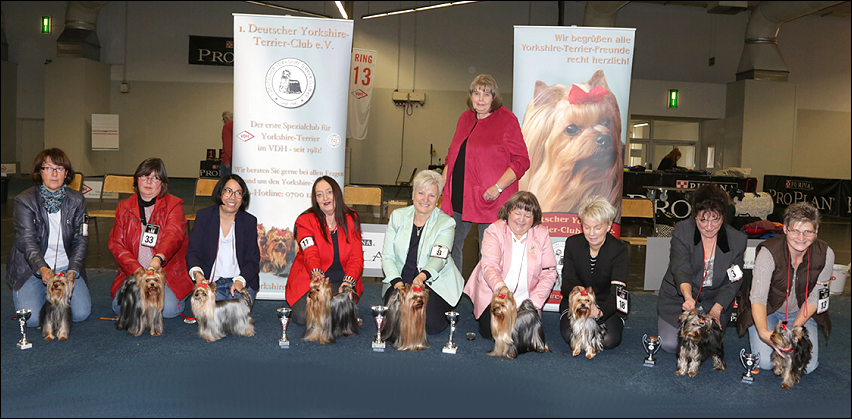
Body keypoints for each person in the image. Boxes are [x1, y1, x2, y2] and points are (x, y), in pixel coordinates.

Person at [441, 74, 530, 274]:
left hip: (491, 198)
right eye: (476, 93)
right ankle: (453, 287)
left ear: (494, 97)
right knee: (449, 244)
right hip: (459, 195)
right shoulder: (465, 118)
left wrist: (498, 187)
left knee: (488, 250)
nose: (480, 99)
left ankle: (486, 291)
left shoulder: (507, 119)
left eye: (486, 94)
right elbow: (452, 155)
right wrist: (441, 184)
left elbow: (522, 161)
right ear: (470, 96)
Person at [738, 202, 833, 374]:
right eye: (795, 230)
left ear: (816, 231)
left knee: (806, 366)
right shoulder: (768, 252)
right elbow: (758, 297)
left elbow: (816, 297)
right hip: (769, 311)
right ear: (785, 229)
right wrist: (763, 332)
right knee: (766, 362)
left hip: (801, 313)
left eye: (808, 231)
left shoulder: (826, 254)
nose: (801, 237)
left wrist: (794, 331)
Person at [656, 183, 747, 353]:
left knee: (706, 344)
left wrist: (717, 310)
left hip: (714, 302)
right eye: (703, 220)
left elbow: (734, 281)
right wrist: (688, 298)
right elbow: (680, 268)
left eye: (715, 219)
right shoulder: (683, 231)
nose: (709, 226)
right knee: (671, 344)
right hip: (679, 299)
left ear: (723, 217)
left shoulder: (737, 240)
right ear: (695, 216)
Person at [7, 148, 91, 327]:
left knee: (81, 314)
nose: (54, 173)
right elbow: (26, 240)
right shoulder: (24, 201)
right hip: (32, 269)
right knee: (32, 320)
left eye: (59, 168)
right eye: (48, 168)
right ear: (40, 172)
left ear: (66, 173)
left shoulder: (77, 200)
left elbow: (81, 238)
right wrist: (42, 269)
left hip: (66, 268)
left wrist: (73, 270)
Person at [464, 191, 557, 339]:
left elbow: (549, 272)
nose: (521, 220)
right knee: (492, 333)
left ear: (534, 218)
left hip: (527, 299)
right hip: (496, 295)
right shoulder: (494, 230)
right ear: (508, 212)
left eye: (528, 215)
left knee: (522, 335)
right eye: (517, 213)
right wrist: (502, 289)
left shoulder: (542, 234)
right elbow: (489, 266)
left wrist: (532, 303)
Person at [383, 170, 465, 334]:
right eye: (421, 193)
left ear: (438, 199)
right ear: (413, 194)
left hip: (432, 281)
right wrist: (398, 284)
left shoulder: (446, 223)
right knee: (395, 320)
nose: (425, 199)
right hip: (400, 279)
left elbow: (439, 258)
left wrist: (421, 277)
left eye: (431, 195)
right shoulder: (397, 216)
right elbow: (387, 257)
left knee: (431, 325)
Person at [108, 157, 191, 318]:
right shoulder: (123, 207)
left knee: (168, 311)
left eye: (155, 178)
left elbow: (173, 235)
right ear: (137, 179)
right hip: (134, 271)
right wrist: (137, 270)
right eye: (145, 176)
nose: (149, 181)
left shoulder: (174, 205)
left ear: (162, 183)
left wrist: (158, 259)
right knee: (119, 307)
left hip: (166, 272)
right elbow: (116, 244)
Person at [285, 176, 363, 326]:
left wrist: (348, 282)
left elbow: (356, 258)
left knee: (338, 306)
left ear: (337, 194)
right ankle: (343, 317)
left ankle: (341, 314)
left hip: (341, 280)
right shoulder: (305, 221)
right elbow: (310, 252)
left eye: (329, 192)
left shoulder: (351, 219)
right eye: (319, 194)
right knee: (301, 316)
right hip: (312, 281)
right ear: (315, 199)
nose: (325, 198)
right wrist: (316, 273)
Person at [559, 196, 628, 349]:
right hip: (577, 303)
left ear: (609, 226)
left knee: (608, 341)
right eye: (587, 227)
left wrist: (599, 313)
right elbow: (566, 282)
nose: (591, 233)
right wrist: (575, 291)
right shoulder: (572, 243)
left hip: (607, 304)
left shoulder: (619, 250)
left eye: (597, 227)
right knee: (571, 336)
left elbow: (618, 292)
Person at [186, 174, 259, 302]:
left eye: (238, 193)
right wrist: (198, 274)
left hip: (239, 282)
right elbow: (193, 252)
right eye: (228, 191)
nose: (233, 197)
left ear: (243, 198)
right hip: (211, 283)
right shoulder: (204, 217)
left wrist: (240, 281)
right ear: (220, 193)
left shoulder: (249, 221)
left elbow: (252, 260)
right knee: (212, 314)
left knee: (234, 312)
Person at [221, 110, 234, 177]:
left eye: (223, 120)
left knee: (225, 180)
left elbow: (228, 145)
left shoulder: (227, 127)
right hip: (238, 160)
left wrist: (227, 159)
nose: (224, 122)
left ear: (226, 118)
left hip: (229, 161)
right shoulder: (239, 126)